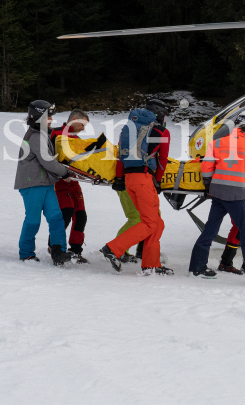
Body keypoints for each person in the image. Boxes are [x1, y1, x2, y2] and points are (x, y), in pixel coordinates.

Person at [189, 114, 245, 282]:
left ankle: (197, 267)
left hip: (218, 192)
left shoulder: (217, 143)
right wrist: (239, 179)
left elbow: (207, 167)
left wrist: (210, 184)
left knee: (210, 230)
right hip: (236, 194)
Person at [100, 100, 173, 275]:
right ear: (161, 115)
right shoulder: (162, 132)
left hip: (129, 179)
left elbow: (120, 156)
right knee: (149, 223)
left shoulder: (129, 129)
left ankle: (150, 264)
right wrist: (157, 181)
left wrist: (119, 178)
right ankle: (112, 248)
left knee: (157, 223)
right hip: (144, 179)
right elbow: (162, 161)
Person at [14, 100, 70, 265]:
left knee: (56, 217)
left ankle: (59, 251)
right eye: (48, 117)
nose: (51, 120)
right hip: (32, 184)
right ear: (38, 117)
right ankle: (26, 253)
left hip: (45, 183)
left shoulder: (40, 133)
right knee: (33, 220)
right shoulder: (36, 136)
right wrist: (64, 172)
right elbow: (47, 161)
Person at [49, 109, 91, 263]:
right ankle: (54, 246)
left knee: (81, 216)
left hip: (74, 182)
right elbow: (46, 157)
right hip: (59, 181)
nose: (83, 128)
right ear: (74, 119)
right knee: (66, 213)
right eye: (82, 124)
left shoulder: (77, 139)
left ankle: (75, 251)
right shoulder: (55, 133)